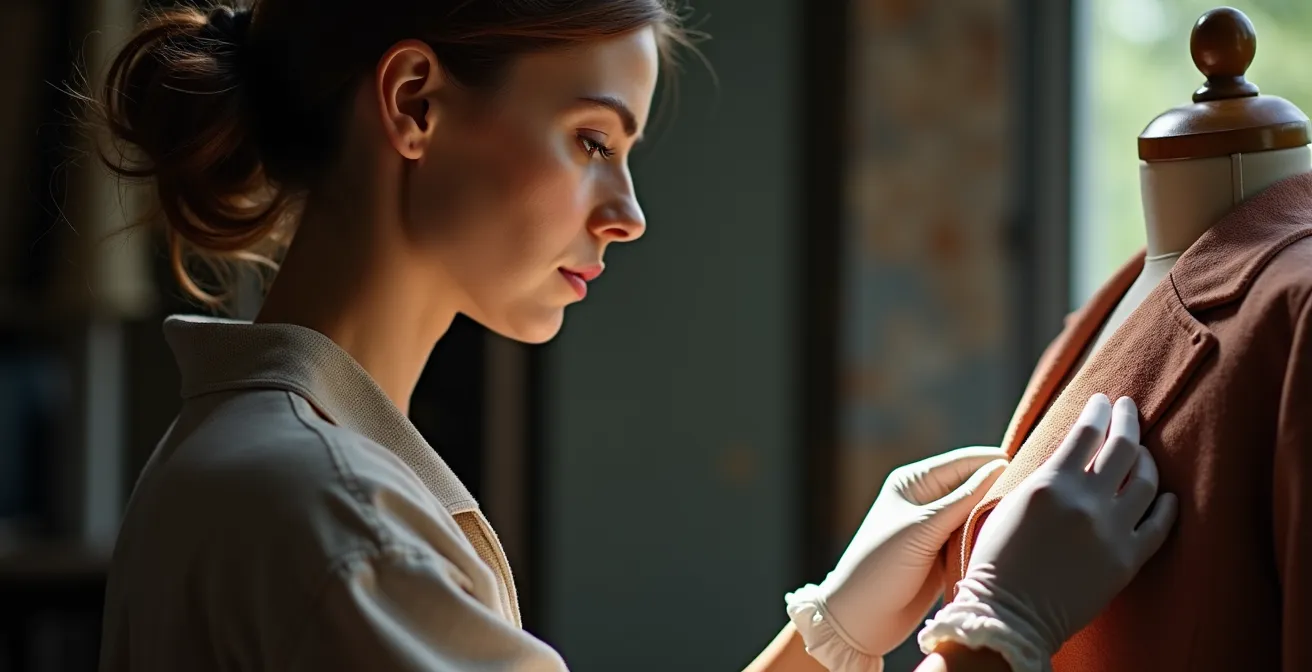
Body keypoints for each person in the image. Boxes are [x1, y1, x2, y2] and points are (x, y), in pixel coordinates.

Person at [88, 2, 1178, 671]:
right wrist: (990, 634)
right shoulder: (328, 516)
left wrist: (832, 634)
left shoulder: (278, 465)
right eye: (590, 139)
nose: (627, 212)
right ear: (415, 102)